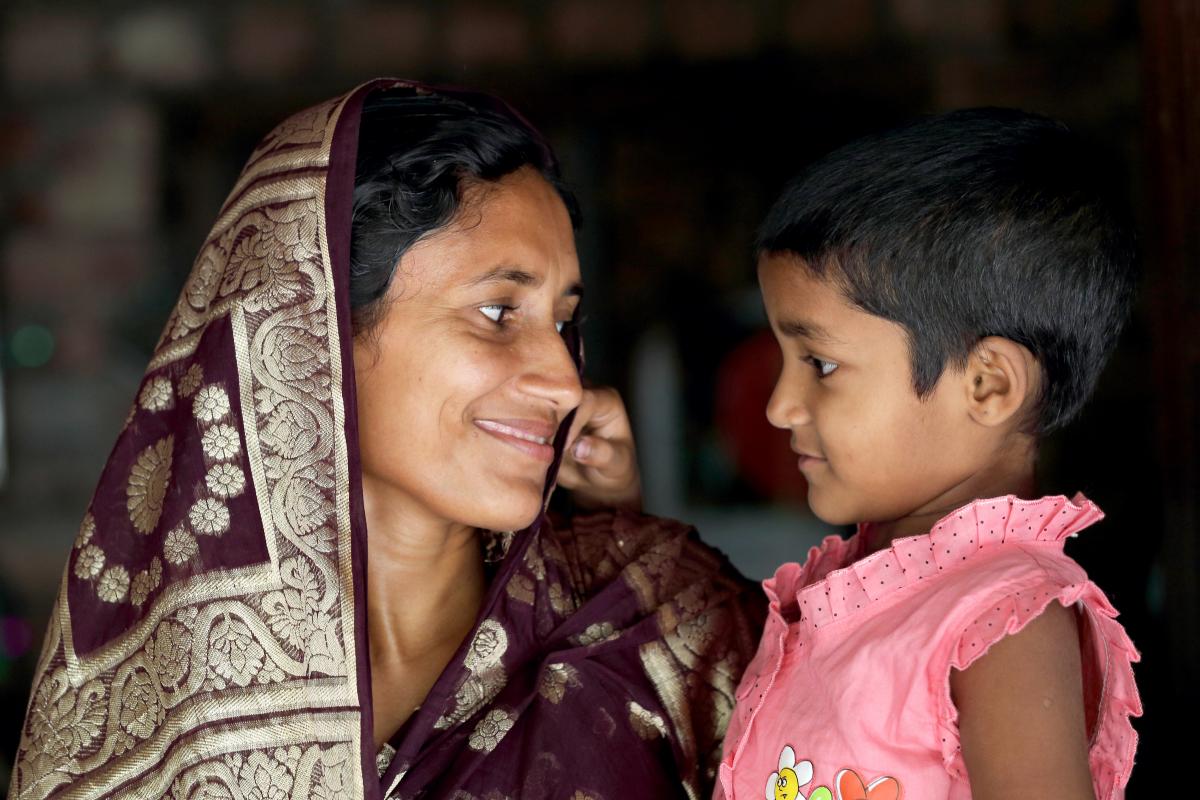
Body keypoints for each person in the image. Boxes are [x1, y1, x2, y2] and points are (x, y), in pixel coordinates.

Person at [10, 79, 764, 800]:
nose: (566, 381)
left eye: (564, 322)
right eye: (499, 313)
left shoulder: (660, 626)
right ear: (311, 337)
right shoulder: (157, 693)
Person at [716, 109, 1141, 800]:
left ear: (987, 384)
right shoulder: (869, 589)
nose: (779, 407)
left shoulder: (1006, 620)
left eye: (819, 363)